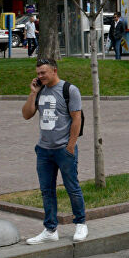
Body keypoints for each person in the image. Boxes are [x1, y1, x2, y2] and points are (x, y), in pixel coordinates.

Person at [21, 59, 87, 244]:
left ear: (54, 71)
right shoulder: (40, 90)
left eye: (43, 73)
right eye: (38, 73)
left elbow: (76, 119)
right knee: (47, 191)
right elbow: (26, 114)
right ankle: (50, 229)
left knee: (72, 187)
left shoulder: (69, 90)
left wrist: (70, 146)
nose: (40, 76)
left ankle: (80, 223)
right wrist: (33, 93)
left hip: (63, 149)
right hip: (44, 150)